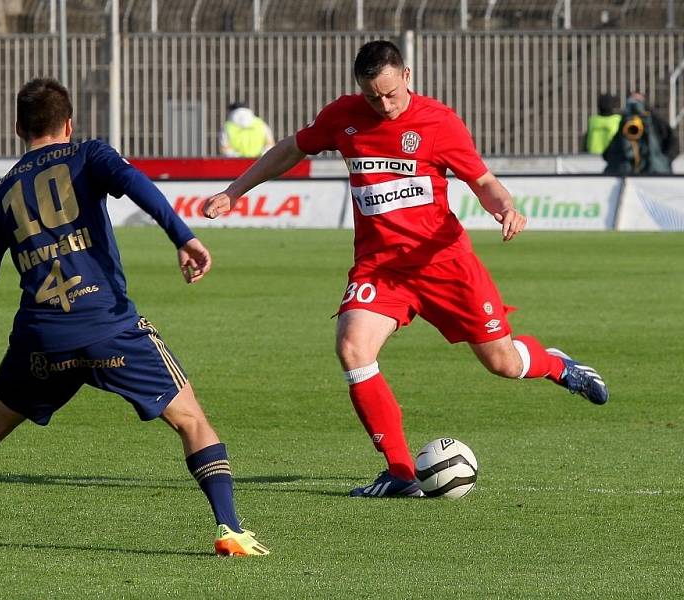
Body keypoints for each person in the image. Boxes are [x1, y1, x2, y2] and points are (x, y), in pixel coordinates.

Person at [203, 40, 609, 498]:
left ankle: (557, 365)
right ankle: (399, 471)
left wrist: (505, 209)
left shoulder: (440, 122)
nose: (384, 105)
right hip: (380, 269)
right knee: (353, 348)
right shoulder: (344, 115)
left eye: (391, 93)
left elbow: (484, 181)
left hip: (445, 265)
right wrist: (236, 190)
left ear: (408, 76)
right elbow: (290, 149)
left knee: (504, 363)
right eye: (373, 96)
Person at [0, 78, 268, 557]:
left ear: (17, 129)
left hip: (41, 342)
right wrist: (183, 237)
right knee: (191, 419)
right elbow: (136, 184)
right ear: (69, 123)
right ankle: (229, 528)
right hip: (109, 327)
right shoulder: (89, 155)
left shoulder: (1, 195)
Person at [603, 91, 678, 175]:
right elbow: (609, 153)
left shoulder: (657, 122)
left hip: (654, 171)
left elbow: (673, 144)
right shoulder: (623, 122)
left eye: (638, 102)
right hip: (627, 171)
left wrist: (662, 158)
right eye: (633, 102)